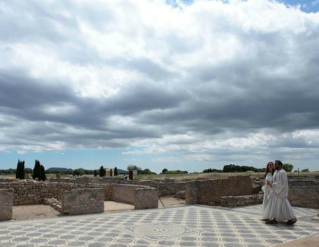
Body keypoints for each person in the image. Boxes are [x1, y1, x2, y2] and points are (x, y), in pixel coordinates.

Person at [264, 160, 297, 225]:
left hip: (280, 193)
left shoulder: (282, 172)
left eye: (276, 164)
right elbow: (274, 180)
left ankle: (292, 218)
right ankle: (273, 218)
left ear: (280, 165)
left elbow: (282, 184)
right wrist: (271, 183)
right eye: (275, 164)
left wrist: (272, 184)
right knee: (273, 205)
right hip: (275, 192)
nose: (275, 165)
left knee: (284, 206)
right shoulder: (276, 172)